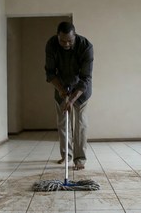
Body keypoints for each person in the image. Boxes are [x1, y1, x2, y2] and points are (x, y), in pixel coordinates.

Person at [45, 21, 93, 170]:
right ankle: (67, 156)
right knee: (63, 123)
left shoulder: (86, 46)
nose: (66, 44)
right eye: (62, 41)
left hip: (81, 89)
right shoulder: (52, 44)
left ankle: (79, 160)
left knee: (80, 124)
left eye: (69, 41)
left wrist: (72, 100)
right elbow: (50, 72)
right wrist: (62, 91)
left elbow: (85, 78)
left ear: (75, 35)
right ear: (57, 36)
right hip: (61, 85)